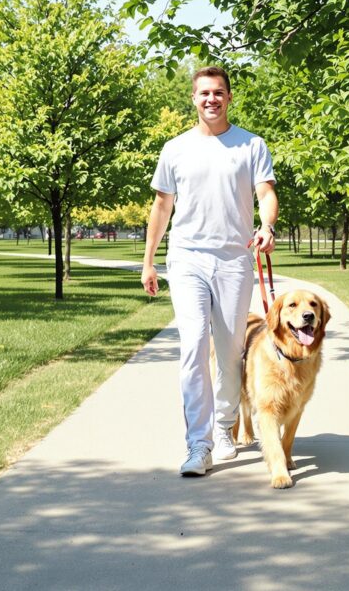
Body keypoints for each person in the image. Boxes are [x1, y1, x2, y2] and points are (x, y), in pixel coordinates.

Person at [141, 66, 278, 477]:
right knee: (195, 344)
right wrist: (149, 261)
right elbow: (162, 207)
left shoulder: (251, 145)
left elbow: (266, 193)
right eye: (204, 93)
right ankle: (198, 443)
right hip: (187, 258)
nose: (211, 99)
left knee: (231, 349)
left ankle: (224, 428)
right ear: (193, 99)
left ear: (229, 98)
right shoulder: (175, 148)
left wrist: (266, 226)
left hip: (234, 260)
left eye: (218, 92)